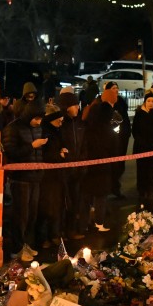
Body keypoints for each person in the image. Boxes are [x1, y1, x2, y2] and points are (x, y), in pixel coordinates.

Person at [2, 100, 47, 261]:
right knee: (20, 214)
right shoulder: (13, 128)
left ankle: (26, 243)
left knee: (32, 214)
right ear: (29, 116)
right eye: (36, 118)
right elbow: (11, 152)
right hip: (20, 178)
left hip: (36, 176)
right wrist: (32, 146)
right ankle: (17, 248)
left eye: (40, 119)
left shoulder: (38, 128)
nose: (39, 122)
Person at [82, 82, 120, 230]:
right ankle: (99, 222)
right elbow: (114, 146)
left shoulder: (90, 122)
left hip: (89, 161)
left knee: (88, 193)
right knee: (101, 194)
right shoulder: (107, 127)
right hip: (103, 163)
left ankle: (85, 223)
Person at [57, 91, 86, 237]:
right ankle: (59, 232)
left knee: (75, 200)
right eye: (75, 105)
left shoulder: (79, 122)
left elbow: (84, 144)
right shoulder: (61, 124)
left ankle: (71, 230)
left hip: (77, 169)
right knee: (63, 202)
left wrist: (82, 162)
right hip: (63, 170)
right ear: (67, 107)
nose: (78, 108)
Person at [39, 105, 68, 248]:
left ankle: (55, 233)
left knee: (57, 205)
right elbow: (43, 153)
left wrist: (63, 150)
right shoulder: (43, 132)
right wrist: (58, 155)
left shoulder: (57, 131)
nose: (61, 123)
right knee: (46, 206)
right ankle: (43, 237)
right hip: (47, 176)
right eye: (59, 121)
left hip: (58, 174)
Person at [132, 91, 153, 210]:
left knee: (152, 171)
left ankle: (151, 192)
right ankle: (141, 192)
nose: (151, 103)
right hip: (141, 148)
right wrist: (142, 141)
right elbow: (135, 131)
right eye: (149, 101)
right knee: (141, 171)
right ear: (145, 102)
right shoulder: (139, 114)